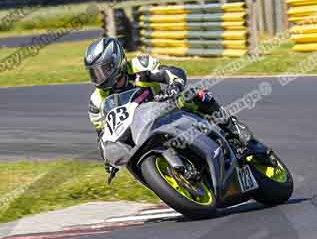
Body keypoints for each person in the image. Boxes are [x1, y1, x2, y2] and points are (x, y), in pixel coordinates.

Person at [84, 37, 250, 175]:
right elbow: (102, 135)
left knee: (194, 94)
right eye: (94, 73)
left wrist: (174, 85)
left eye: (103, 70)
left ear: (116, 62)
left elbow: (170, 72)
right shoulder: (96, 101)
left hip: (165, 111)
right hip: (138, 135)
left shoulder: (138, 66)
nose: (100, 77)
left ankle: (231, 127)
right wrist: (108, 158)